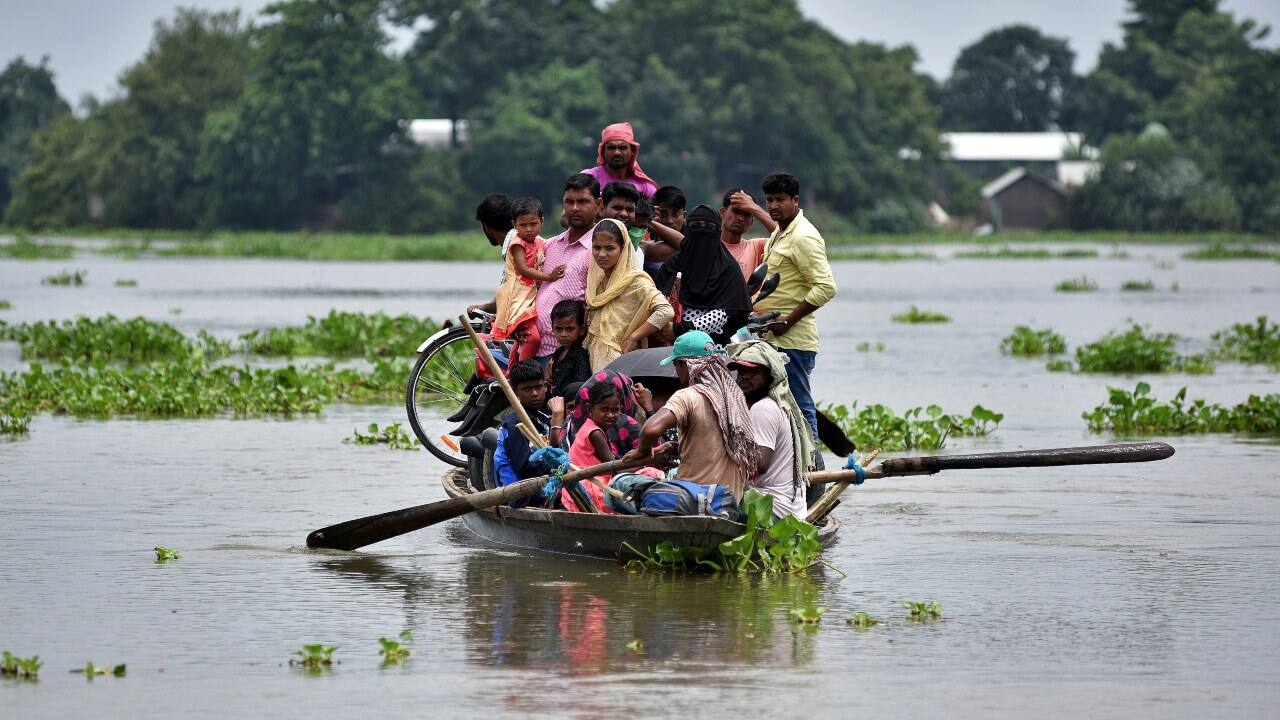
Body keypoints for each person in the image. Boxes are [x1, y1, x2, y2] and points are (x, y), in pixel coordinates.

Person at [621, 331, 757, 499]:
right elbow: (712, 445)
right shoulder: (735, 399)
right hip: (728, 502)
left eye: (676, 366)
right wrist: (674, 446)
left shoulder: (688, 396)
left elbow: (651, 429)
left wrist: (642, 451)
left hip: (693, 500)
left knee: (621, 483)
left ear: (684, 364)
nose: (677, 373)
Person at [757, 173, 837, 440]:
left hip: (793, 340)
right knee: (779, 407)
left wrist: (789, 321)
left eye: (780, 200)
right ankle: (792, 470)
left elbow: (826, 287)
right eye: (769, 200)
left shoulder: (803, 236)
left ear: (795, 200)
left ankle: (812, 470)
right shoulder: (779, 233)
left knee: (800, 406)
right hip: (773, 338)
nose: (774, 206)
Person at [728, 340, 815, 520]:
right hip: (789, 509)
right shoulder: (776, 405)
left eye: (753, 372)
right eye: (742, 371)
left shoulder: (763, 409)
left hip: (773, 510)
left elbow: (759, 465)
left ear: (770, 376)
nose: (744, 376)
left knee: (709, 502)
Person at [653, 204, 750, 345]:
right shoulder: (675, 263)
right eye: (696, 225)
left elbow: (725, 313)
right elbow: (657, 299)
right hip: (672, 343)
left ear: (717, 231)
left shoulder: (728, 267)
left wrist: (681, 329)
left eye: (708, 227)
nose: (702, 231)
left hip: (713, 345)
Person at [584, 219, 674, 370]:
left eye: (610, 248)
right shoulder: (597, 282)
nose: (602, 254)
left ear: (623, 248)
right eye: (597, 247)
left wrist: (634, 337)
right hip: (595, 359)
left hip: (622, 362)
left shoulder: (635, 281)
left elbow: (665, 311)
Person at [533, 174, 602, 363]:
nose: (575, 208)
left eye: (582, 201)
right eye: (569, 201)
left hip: (567, 353)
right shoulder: (551, 244)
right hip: (535, 346)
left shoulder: (599, 251)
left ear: (598, 205)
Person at [492, 198, 565, 364]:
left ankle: (513, 368)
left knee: (523, 340)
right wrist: (549, 277)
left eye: (533, 224)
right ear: (514, 224)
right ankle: (522, 372)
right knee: (532, 338)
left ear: (542, 222)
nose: (529, 229)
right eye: (523, 225)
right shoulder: (518, 243)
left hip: (530, 294)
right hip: (518, 296)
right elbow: (523, 269)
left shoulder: (540, 242)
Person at [492, 360, 565, 506]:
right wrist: (558, 466)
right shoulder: (515, 425)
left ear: (546, 386)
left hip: (542, 484)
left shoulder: (542, 418)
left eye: (538, 387)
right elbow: (524, 468)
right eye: (527, 389)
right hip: (521, 494)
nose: (534, 394)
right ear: (515, 391)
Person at [561, 382, 628, 514]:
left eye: (615, 410)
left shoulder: (592, 427)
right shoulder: (595, 433)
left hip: (581, 487)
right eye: (604, 410)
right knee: (649, 473)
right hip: (588, 490)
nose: (610, 415)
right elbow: (615, 469)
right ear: (590, 409)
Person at [467, 193, 515, 317]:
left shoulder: (515, 245)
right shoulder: (520, 237)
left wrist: (486, 307)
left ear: (487, 227)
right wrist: (488, 307)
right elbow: (508, 285)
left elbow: (515, 293)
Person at [581, 121, 659, 198]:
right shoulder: (589, 178)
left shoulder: (645, 187)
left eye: (622, 148)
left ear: (633, 151)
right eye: (611, 148)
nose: (617, 153)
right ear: (603, 151)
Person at [720, 189, 774, 284]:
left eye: (747, 214)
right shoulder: (707, 246)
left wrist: (754, 208)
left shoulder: (757, 247)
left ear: (752, 222)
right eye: (736, 211)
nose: (741, 218)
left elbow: (786, 236)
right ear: (722, 212)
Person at [546, 299, 591, 400]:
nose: (563, 334)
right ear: (552, 329)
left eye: (569, 329)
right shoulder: (558, 353)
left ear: (581, 330)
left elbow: (579, 387)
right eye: (558, 329)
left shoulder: (580, 356)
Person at [600, 181, 646, 270]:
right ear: (602, 208)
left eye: (629, 210)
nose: (624, 214)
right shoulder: (587, 245)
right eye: (617, 208)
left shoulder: (638, 251)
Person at [644, 185, 686, 271]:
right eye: (663, 214)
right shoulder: (642, 236)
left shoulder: (693, 241)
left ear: (684, 216)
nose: (670, 221)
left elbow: (682, 244)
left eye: (675, 214)